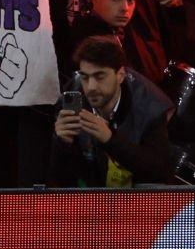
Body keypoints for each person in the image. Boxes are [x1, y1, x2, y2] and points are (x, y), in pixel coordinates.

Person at [48, 33, 175, 188]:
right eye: (85, 77)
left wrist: (110, 139)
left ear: (120, 75)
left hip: (137, 199)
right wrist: (61, 143)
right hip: (91, 198)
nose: (91, 87)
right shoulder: (71, 99)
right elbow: (60, 179)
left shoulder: (149, 105)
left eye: (99, 76)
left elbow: (159, 171)